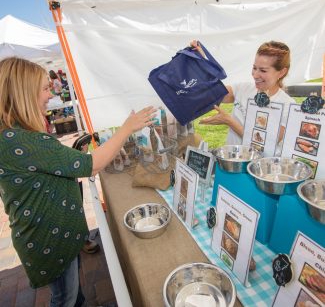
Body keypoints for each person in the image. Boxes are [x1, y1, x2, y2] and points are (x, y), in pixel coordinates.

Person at [0, 57, 156, 306]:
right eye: (44, 88)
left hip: (53, 236)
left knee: (73, 294)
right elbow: (91, 165)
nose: (50, 96)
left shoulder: (14, 134)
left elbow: (56, 163)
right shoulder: (22, 141)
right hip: (50, 241)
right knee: (65, 298)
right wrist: (127, 128)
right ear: (24, 93)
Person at [191, 40, 296, 152]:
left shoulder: (288, 106)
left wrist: (229, 121)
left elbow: (265, 146)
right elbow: (213, 92)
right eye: (254, 68)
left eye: (263, 70)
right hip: (231, 162)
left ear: (281, 72)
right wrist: (202, 61)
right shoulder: (243, 89)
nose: (255, 75)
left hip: (260, 167)